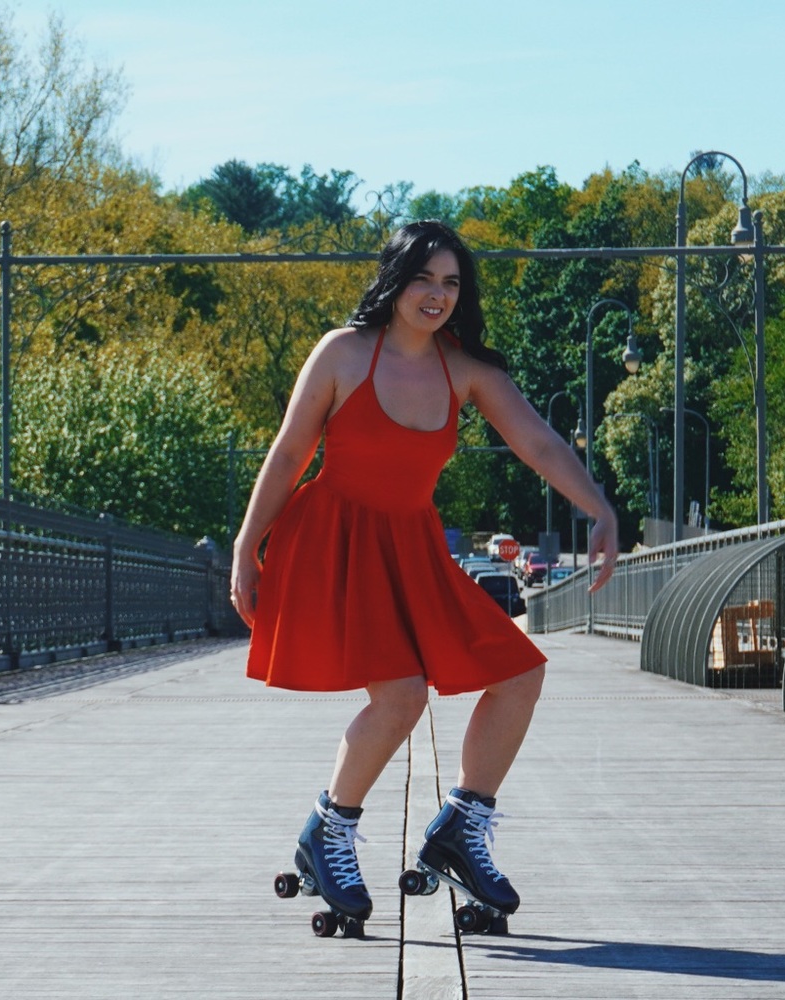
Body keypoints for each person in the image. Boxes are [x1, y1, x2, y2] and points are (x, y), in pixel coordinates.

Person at [231, 220, 618, 933]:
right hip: (338, 541)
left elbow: (536, 440)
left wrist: (598, 507)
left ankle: (461, 828)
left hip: (412, 547)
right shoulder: (344, 352)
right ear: (394, 280)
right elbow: (289, 454)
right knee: (402, 696)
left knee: (519, 673)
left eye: (450, 283)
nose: (437, 295)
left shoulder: (464, 369)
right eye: (423, 279)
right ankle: (330, 830)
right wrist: (245, 546)